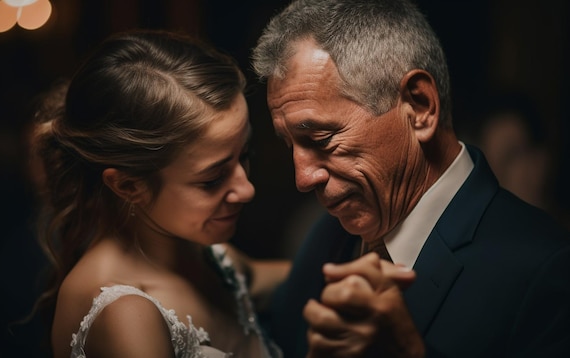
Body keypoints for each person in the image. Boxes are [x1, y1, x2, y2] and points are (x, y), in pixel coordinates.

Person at [250, 0, 570, 357]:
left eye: (322, 139)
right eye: (289, 146)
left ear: (419, 107)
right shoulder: (328, 236)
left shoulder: (548, 269)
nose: (303, 178)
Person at [30, 28, 287, 358]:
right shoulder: (126, 313)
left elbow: (284, 276)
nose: (246, 189)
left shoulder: (204, 254)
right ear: (129, 186)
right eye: (212, 179)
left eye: (245, 156)